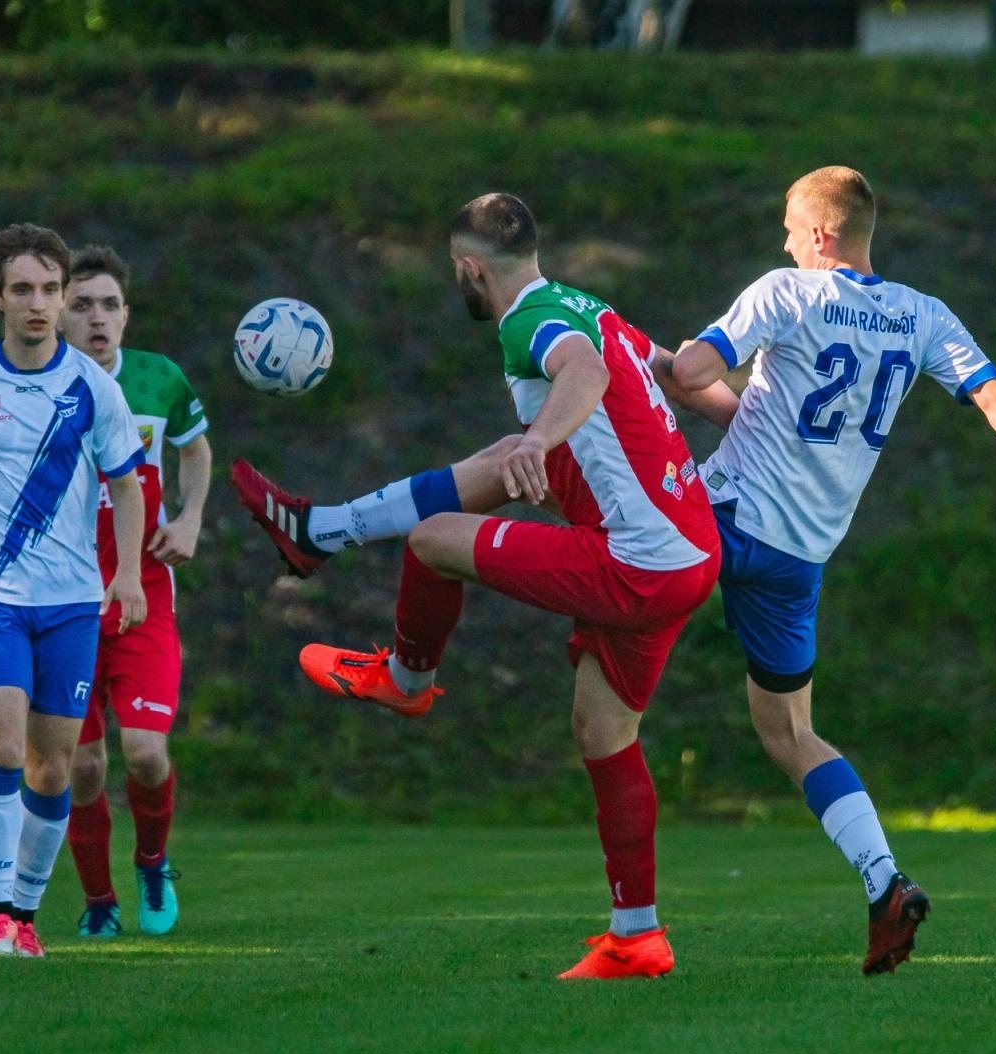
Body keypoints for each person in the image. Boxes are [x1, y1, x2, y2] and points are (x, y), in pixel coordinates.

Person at [230, 192, 721, 980]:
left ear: (469, 268)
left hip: (639, 557)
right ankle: (637, 935)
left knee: (434, 541)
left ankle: (404, 680)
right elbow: (678, 377)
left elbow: (585, 370)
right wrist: (760, 419)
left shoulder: (530, 321)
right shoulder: (582, 301)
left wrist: (540, 438)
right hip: (690, 549)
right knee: (604, 732)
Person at [653, 165, 996, 975]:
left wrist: (639, 352)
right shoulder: (923, 316)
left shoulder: (785, 291)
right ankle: (883, 880)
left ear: (818, 234)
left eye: (789, 231)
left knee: (607, 540)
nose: (784, 245)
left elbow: (694, 373)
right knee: (791, 732)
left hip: (720, 518)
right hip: (799, 558)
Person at [0, 223, 149, 959]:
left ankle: (29, 916)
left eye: (49, 290)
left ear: (63, 295)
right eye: (23, 290)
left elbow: (127, 486)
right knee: (5, 747)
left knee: (53, 766)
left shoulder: (94, 388)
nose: (38, 303)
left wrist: (128, 573)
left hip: (71, 601)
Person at [57, 245, 212, 938]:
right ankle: (99, 901)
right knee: (83, 767)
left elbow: (196, 448)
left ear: (126, 315)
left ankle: (152, 862)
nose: (97, 317)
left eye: (109, 305)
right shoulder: (36, 386)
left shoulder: (157, 378)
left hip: (142, 589)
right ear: (58, 312)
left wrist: (191, 516)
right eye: (82, 304)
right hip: (61, 599)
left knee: (146, 753)